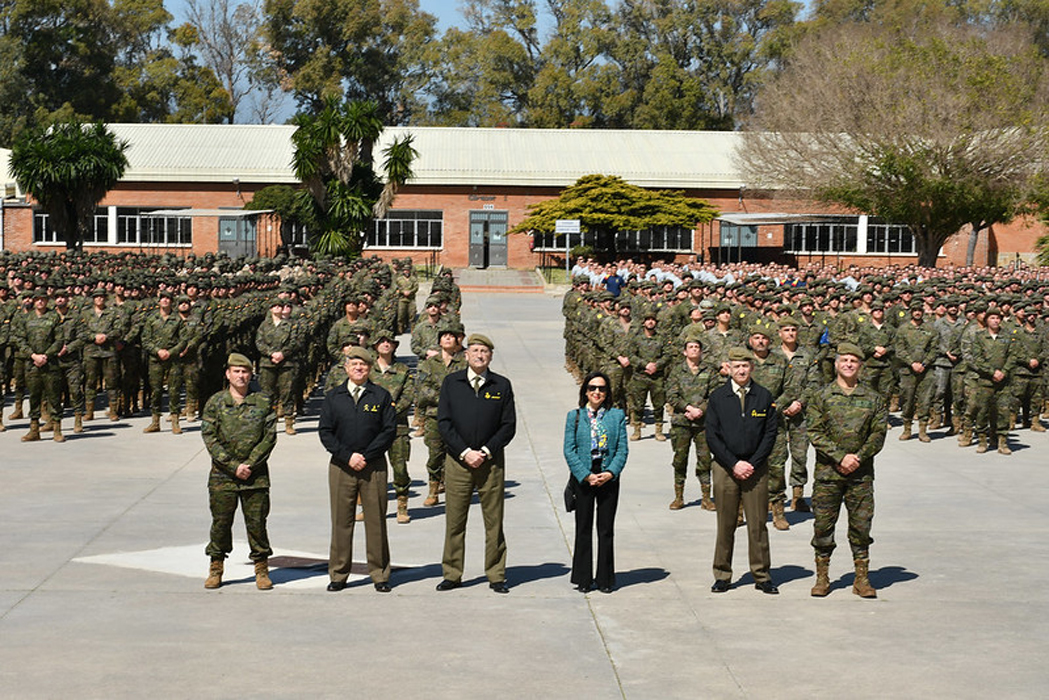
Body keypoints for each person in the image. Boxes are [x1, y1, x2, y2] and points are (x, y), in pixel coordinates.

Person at [436, 333, 517, 593]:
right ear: (467, 355)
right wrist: (464, 452)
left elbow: (508, 426)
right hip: (458, 462)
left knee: (494, 521)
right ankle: (452, 573)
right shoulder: (452, 383)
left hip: (490, 463)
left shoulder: (501, 385)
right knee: (455, 521)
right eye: (476, 350)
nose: (480, 355)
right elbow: (444, 423)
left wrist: (484, 451)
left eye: (485, 351)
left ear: (490, 356)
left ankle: (496, 574)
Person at [806, 343, 887, 598]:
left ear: (860, 366)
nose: (849, 364)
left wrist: (858, 457)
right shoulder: (821, 396)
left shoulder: (873, 398)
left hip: (860, 475)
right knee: (822, 527)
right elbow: (815, 432)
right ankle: (822, 576)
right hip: (828, 475)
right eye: (845, 360)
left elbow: (878, 433)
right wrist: (840, 457)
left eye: (854, 361)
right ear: (836, 364)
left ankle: (861, 578)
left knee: (861, 528)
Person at [318, 347, 397, 593]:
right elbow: (325, 432)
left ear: (370, 368)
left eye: (363, 365)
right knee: (341, 521)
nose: (359, 368)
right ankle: (339, 574)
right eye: (354, 364)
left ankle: (380, 574)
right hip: (342, 466)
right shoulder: (334, 396)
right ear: (346, 368)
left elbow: (388, 430)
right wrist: (348, 456)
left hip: (373, 467)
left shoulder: (380, 396)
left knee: (376, 522)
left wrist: (366, 455)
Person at [200, 352, 278, 590]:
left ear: (251, 374)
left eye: (245, 372)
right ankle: (216, 567)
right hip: (223, 477)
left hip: (255, 477)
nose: (241, 376)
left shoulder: (263, 402)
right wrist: (233, 466)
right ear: (228, 374)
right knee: (221, 523)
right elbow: (209, 437)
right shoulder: (216, 402)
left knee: (257, 524)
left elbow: (270, 437)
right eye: (236, 371)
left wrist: (250, 465)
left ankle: (261, 569)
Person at [705, 347, 779, 594]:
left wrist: (753, 463)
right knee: (725, 523)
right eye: (736, 366)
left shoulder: (764, 396)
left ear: (752, 368)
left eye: (745, 366)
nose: (741, 370)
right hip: (726, 467)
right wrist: (734, 463)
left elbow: (770, 435)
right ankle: (722, 574)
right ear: (729, 368)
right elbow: (712, 436)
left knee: (757, 523)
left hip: (756, 469)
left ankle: (762, 575)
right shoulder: (717, 397)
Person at [563, 371, 628, 593]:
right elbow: (569, 450)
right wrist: (585, 474)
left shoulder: (616, 415)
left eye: (601, 388)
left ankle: (605, 579)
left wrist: (611, 472)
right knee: (583, 528)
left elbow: (622, 449)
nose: (597, 392)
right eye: (592, 388)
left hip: (607, 476)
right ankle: (583, 577)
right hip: (585, 477)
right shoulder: (575, 416)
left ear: (607, 392)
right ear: (585, 391)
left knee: (606, 529)